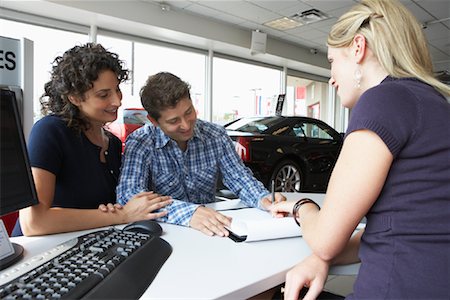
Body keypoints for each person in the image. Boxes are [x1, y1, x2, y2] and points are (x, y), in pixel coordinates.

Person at [269, 0, 450, 299]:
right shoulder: (434, 104)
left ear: (357, 47)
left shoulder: (383, 99)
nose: (331, 77)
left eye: (331, 60)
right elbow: (398, 231)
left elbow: (325, 238)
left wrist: (304, 208)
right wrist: (325, 258)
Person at [14, 43, 172, 237]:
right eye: (104, 95)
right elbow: (34, 222)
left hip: (83, 246)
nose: (117, 101)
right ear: (74, 97)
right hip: (38, 252)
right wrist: (121, 215)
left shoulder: (112, 143)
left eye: (117, 90)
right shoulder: (50, 131)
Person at [116, 72, 286, 237]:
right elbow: (129, 196)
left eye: (189, 112)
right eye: (174, 121)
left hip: (211, 230)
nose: (186, 125)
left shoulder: (216, 135)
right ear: (154, 121)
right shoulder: (141, 142)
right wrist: (189, 213)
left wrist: (262, 198)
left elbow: (238, 177)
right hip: (166, 234)